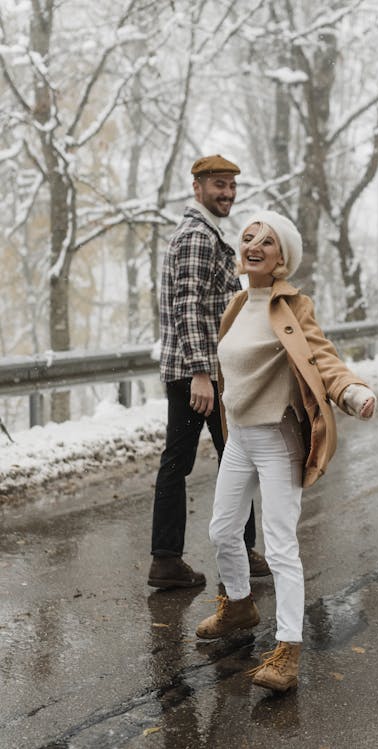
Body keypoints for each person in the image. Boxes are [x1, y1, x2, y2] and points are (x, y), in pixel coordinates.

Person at [195, 210, 377, 691]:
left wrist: (353, 392)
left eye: (267, 241)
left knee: (279, 546)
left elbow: (322, 358)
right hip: (240, 439)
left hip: (278, 437)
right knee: (222, 531)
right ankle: (238, 606)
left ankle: (287, 652)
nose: (253, 244)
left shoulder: (292, 306)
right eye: (249, 236)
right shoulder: (237, 304)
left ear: (282, 259)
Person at [148, 155, 270, 590]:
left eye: (232, 186)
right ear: (197, 187)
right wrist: (202, 373)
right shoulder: (198, 236)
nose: (227, 194)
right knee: (234, 456)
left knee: (198, 459)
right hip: (200, 374)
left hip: (203, 371)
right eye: (219, 185)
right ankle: (230, 552)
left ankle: (171, 559)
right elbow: (188, 306)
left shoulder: (205, 233)